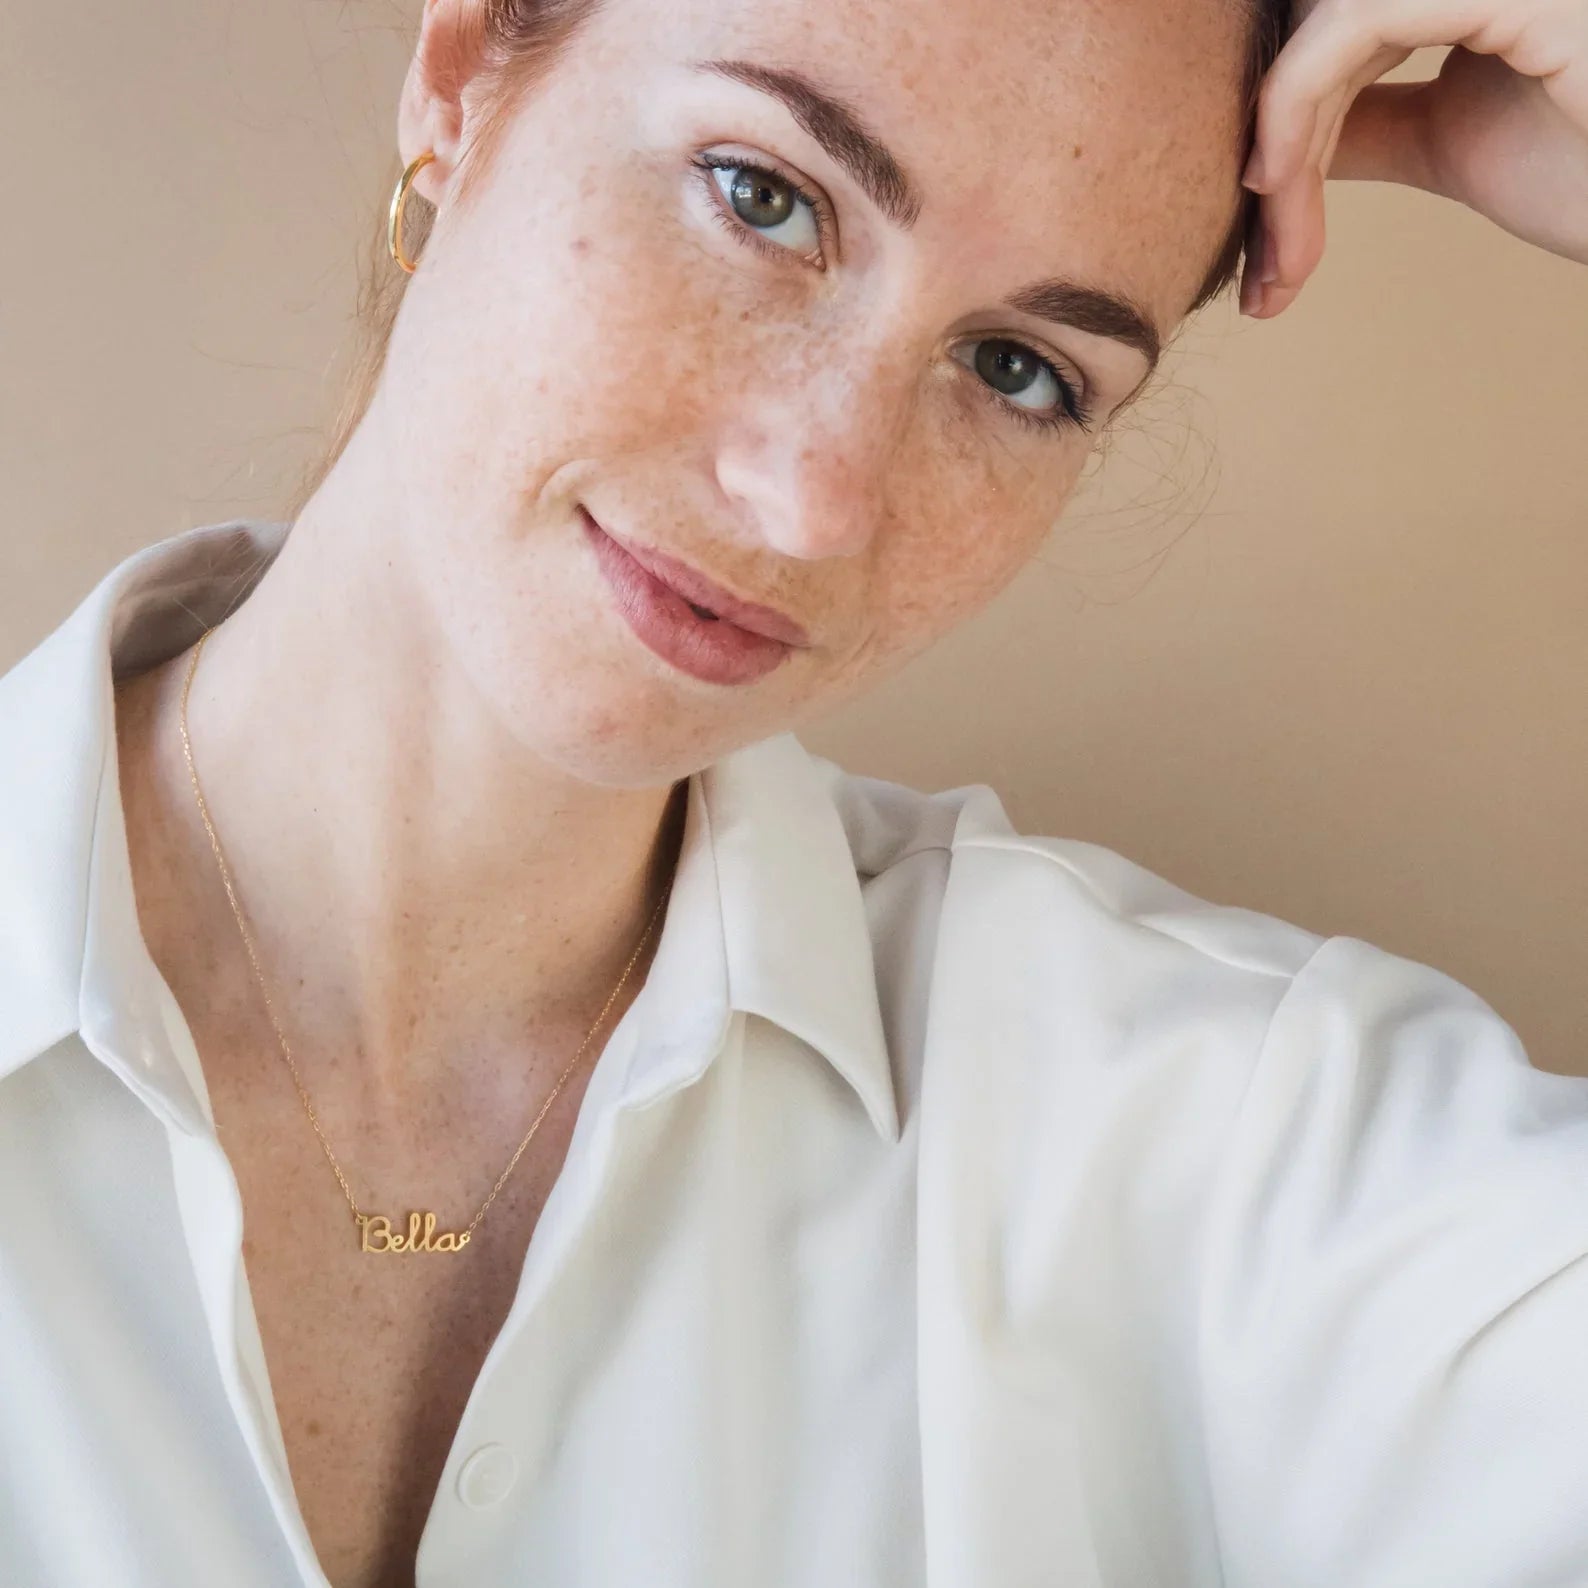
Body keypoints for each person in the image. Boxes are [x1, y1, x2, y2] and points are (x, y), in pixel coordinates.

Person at [1, 0, 1584, 1584]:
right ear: (465, 70)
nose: (816, 498)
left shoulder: (1223, 1142)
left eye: (1019, 369)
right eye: (765, 197)